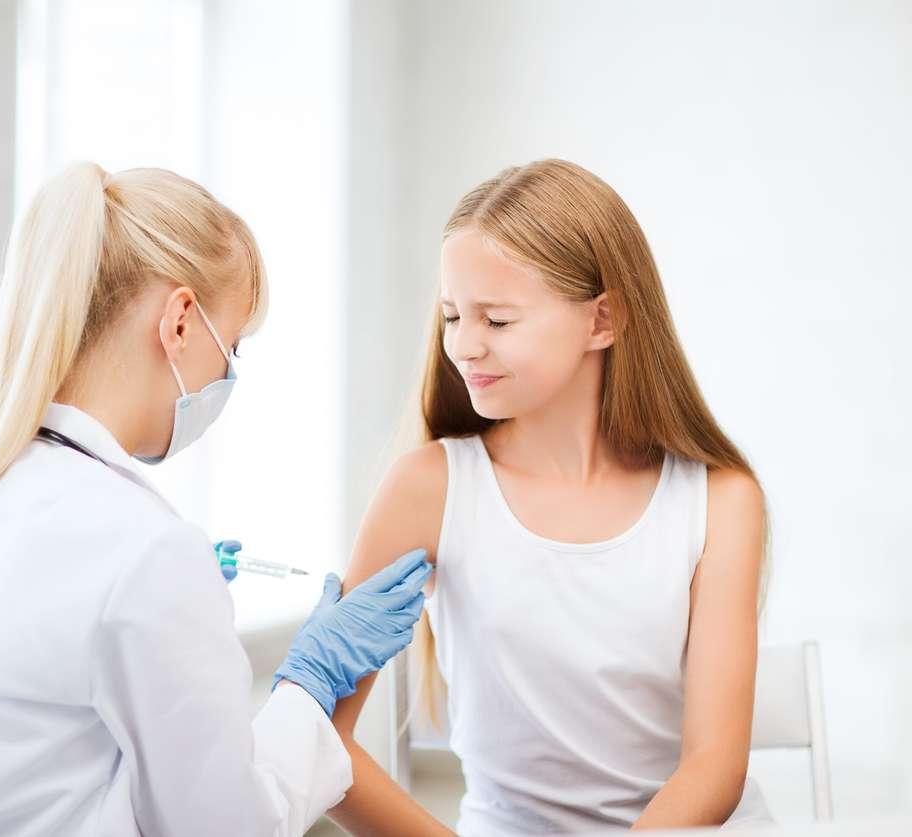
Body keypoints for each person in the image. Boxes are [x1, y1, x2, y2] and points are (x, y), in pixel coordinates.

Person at [0, 162, 432, 837]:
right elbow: (227, 828)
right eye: (233, 343)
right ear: (181, 321)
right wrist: (311, 678)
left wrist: (168, 606)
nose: (228, 372)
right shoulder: (146, 548)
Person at [329, 160, 773, 834]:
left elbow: (714, 765)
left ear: (603, 320)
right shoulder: (428, 488)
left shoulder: (722, 500)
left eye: (499, 321)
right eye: (452, 314)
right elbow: (319, 741)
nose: (464, 345)